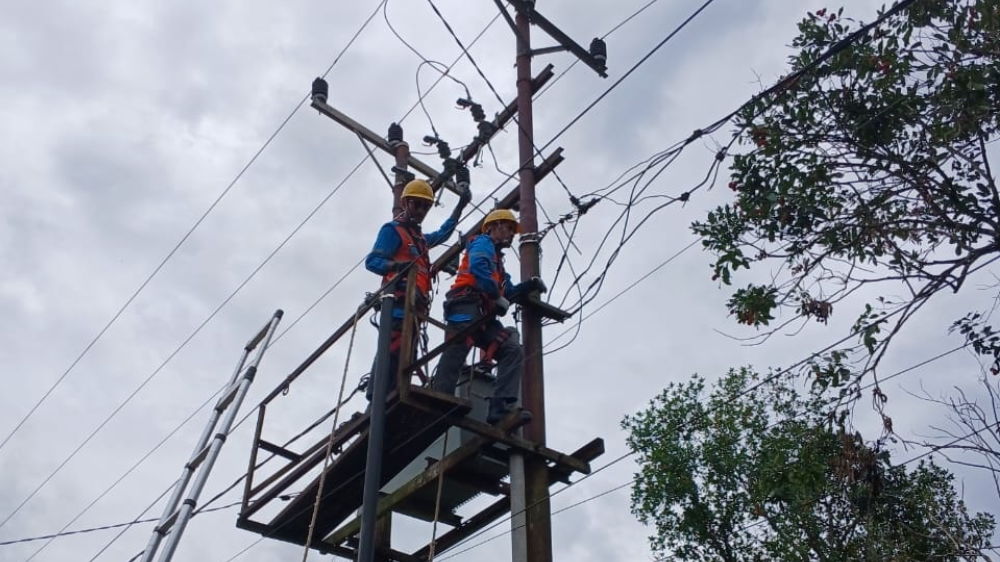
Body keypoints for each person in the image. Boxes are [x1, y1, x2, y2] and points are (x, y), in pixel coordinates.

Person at [432, 209, 547, 423]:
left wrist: (530, 285)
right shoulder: (482, 244)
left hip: (484, 316)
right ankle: (440, 398)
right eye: (508, 228)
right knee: (457, 349)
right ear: (493, 227)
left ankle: (499, 406)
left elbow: (508, 291)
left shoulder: (499, 265)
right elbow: (478, 268)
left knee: (511, 349)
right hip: (464, 306)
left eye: (513, 230)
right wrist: (495, 295)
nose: (512, 234)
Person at [365, 177, 471, 398]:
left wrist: (459, 207)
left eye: (426, 206)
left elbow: (443, 234)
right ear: (406, 203)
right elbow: (372, 261)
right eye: (417, 204)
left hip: (415, 309)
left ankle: (384, 398)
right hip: (396, 305)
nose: (422, 210)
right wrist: (396, 265)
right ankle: (375, 399)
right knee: (392, 353)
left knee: (406, 358)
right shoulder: (393, 230)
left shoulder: (420, 239)